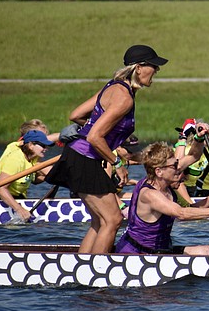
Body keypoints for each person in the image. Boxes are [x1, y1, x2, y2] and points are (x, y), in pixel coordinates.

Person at [46, 44, 167, 254]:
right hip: (84, 158)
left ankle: (82, 268)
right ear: (138, 68)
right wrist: (116, 162)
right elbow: (94, 137)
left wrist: (105, 134)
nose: (156, 71)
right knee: (113, 220)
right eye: (153, 66)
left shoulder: (113, 86)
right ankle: (99, 275)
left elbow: (75, 115)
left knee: (99, 220)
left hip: (77, 156)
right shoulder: (124, 97)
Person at [114, 131, 209, 255]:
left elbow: (194, 156)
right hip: (139, 254)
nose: (179, 168)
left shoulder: (165, 177)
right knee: (208, 252)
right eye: (175, 165)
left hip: (161, 250)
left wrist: (199, 138)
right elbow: (181, 213)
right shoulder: (150, 194)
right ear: (159, 171)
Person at [0, 130, 55, 222]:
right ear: (31, 145)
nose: (46, 149)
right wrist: (20, 210)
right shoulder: (16, 159)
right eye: (43, 146)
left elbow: (32, 179)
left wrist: (50, 178)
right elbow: (0, 188)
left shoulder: (32, 157)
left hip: (16, 196)